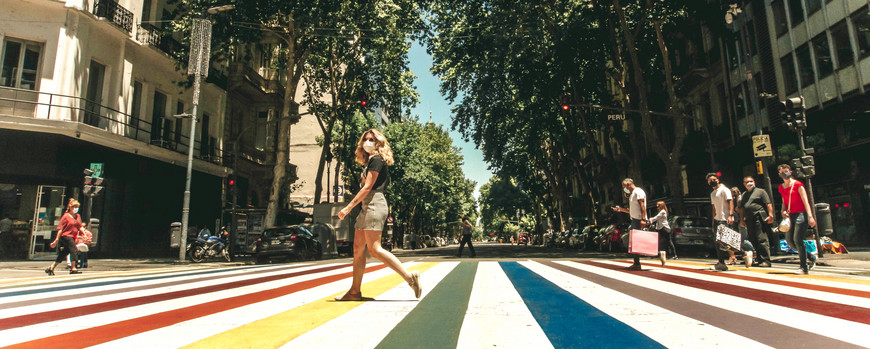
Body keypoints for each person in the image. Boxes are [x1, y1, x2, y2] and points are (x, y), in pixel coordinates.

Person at [336, 129, 421, 301]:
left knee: (374, 249)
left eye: (372, 139)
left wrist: (348, 207)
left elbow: (368, 188)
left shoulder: (376, 160)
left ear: (378, 143)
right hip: (368, 205)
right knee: (358, 249)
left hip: (374, 203)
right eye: (365, 139)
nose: (367, 142)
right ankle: (354, 292)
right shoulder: (370, 162)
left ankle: (409, 277)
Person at [778, 164, 817, 274]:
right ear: (779, 174)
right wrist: (783, 211)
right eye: (782, 172)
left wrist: (810, 216)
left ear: (790, 171)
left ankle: (803, 267)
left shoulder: (798, 185)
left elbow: (806, 201)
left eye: (786, 171)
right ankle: (811, 257)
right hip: (790, 216)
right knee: (790, 241)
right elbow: (783, 202)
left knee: (797, 239)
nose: (784, 173)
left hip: (801, 214)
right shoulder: (781, 187)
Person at [612, 178, 647, 270]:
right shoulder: (632, 194)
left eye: (624, 187)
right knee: (636, 242)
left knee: (636, 242)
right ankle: (637, 263)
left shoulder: (638, 191)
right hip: (635, 219)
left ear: (628, 184)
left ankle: (637, 263)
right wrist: (620, 209)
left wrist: (643, 219)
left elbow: (642, 205)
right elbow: (631, 211)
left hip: (638, 220)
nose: (624, 189)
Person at [739, 176, 774, 267]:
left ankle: (766, 260)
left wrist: (771, 215)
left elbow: (768, 204)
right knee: (753, 239)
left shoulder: (761, 191)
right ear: (744, 184)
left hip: (759, 218)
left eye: (751, 181)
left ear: (754, 182)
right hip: (749, 220)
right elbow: (742, 208)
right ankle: (759, 259)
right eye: (747, 182)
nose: (749, 183)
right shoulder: (744, 195)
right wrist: (742, 219)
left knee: (761, 239)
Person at [45, 199, 85, 275]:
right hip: (66, 236)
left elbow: (80, 226)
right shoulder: (66, 216)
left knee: (65, 252)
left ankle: (51, 267)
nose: (76, 208)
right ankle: (73, 268)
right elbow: (60, 229)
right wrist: (56, 240)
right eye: (74, 207)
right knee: (74, 250)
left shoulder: (77, 216)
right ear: (70, 207)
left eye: (77, 207)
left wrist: (84, 234)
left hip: (73, 236)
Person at [708, 173, 734, 271]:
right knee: (718, 242)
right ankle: (721, 262)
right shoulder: (712, 193)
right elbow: (714, 208)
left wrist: (731, 215)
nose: (712, 181)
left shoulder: (724, 189)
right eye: (710, 180)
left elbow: (730, 201)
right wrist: (713, 221)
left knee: (726, 241)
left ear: (718, 180)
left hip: (725, 218)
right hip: (717, 219)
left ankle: (746, 252)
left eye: (714, 179)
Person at [649, 201, 675, 265]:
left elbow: (656, 218)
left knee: (668, 241)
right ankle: (661, 254)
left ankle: (673, 255)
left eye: (658, 206)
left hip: (664, 229)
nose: (657, 207)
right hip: (660, 228)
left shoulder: (663, 212)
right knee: (661, 242)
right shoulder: (661, 212)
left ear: (662, 205)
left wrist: (649, 220)